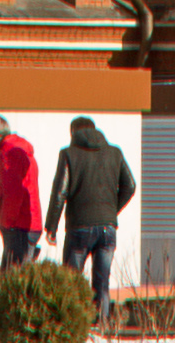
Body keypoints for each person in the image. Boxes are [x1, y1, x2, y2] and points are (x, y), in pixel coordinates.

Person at [47, 115, 135, 307]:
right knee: (102, 284)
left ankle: (73, 324)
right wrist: (111, 211)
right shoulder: (115, 153)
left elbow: (59, 192)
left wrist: (51, 227)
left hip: (79, 226)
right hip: (108, 227)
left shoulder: (68, 153)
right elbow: (130, 186)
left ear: (73, 132)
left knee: (71, 282)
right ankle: (101, 328)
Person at [0, 115, 43, 268]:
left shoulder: (8, 153)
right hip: (26, 224)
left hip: (18, 226)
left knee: (11, 279)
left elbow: (14, 193)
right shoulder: (21, 150)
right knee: (19, 274)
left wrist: (5, 223)